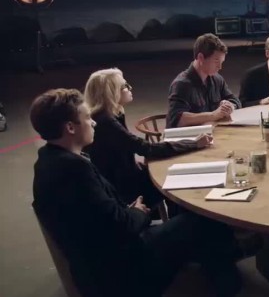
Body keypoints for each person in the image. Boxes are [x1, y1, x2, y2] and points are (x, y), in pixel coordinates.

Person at [30, 89, 269, 297]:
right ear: (70, 127)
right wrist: (138, 212)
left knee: (199, 228)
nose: (93, 122)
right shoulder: (73, 171)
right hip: (120, 266)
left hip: (102, 260)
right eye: (87, 118)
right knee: (204, 223)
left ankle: (223, 256)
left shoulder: (49, 160)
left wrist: (127, 211)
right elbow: (121, 226)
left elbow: (99, 216)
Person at [83, 67, 211, 211]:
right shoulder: (106, 122)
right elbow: (145, 148)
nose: (130, 88)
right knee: (176, 181)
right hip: (123, 188)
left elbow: (124, 149)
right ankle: (181, 219)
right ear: (112, 93)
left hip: (123, 176)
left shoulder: (110, 115)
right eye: (125, 86)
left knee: (171, 170)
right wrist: (193, 143)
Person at [167, 33, 240, 128]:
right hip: (188, 136)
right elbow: (177, 119)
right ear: (201, 58)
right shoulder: (181, 84)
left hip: (210, 132)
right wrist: (213, 115)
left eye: (222, 62)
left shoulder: (217, 79)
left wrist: (229, 106)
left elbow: (235, 100)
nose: (220, 67)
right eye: (216, 61)